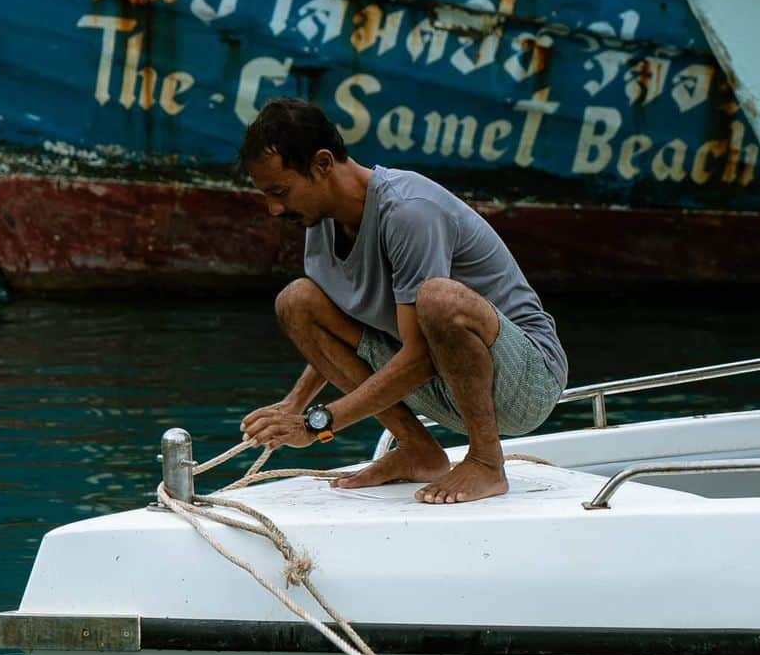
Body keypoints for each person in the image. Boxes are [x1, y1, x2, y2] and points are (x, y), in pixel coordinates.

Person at [239, 97, 567, 504]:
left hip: (524, 383)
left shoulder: (409, 211)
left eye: (280, 191)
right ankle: (418, 450)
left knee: (439, 299)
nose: (274, 209)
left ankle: (486, 461)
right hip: (445, 382)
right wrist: (293, 405)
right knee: (297, 301)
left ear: (323, 164)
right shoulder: (319, 220)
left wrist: (319, 423)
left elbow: (422, 356)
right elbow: (337, 330)